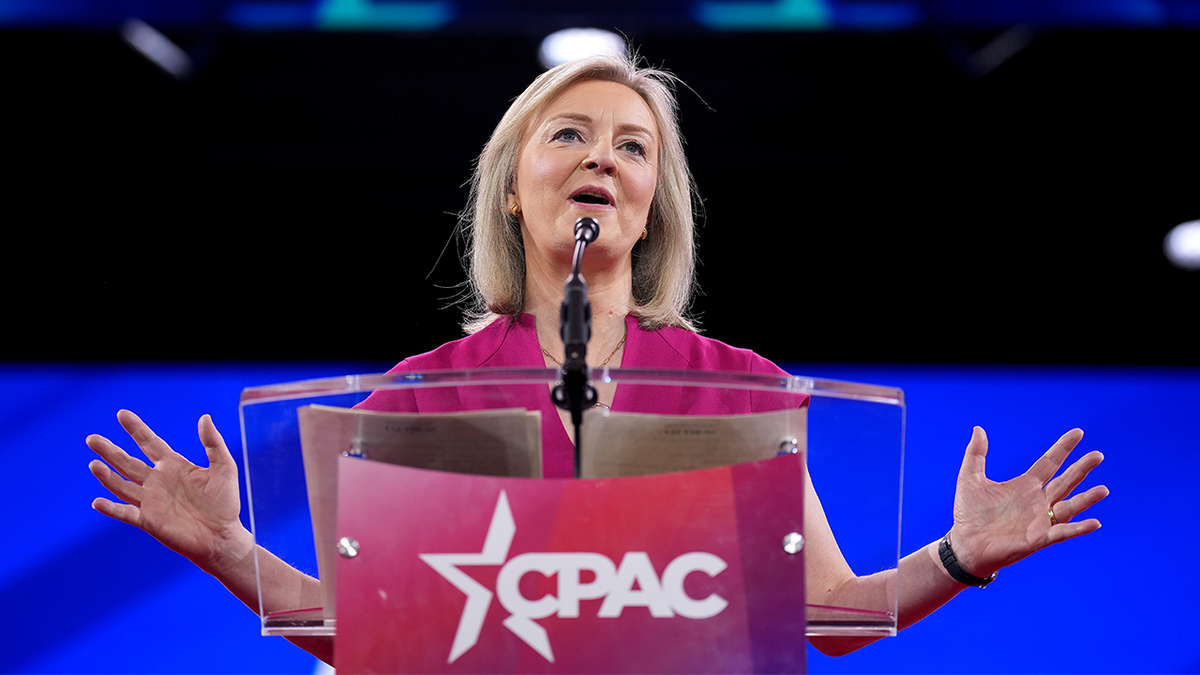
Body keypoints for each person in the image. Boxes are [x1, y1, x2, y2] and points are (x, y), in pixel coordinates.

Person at [86, 52, 1108, 664]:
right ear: (512, 191)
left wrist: (958, 556)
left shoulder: (736, 389)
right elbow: (377, 642)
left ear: (653, 199)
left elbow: (829, 618)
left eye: (630, 146)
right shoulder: (419, 396)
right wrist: (227, 549)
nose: (599, 159)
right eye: (567, 136)